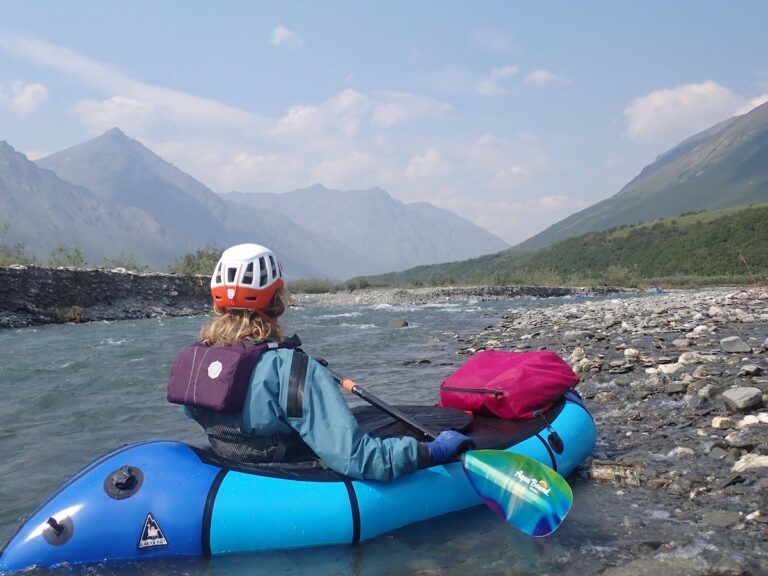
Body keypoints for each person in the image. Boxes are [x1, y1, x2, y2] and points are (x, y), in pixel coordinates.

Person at [169, 243, 472, 482]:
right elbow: (358, 459)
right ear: (277, 301)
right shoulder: (292, 370)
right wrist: (433, 452)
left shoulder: (195, 361)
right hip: (290, 477)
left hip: (235, 469)